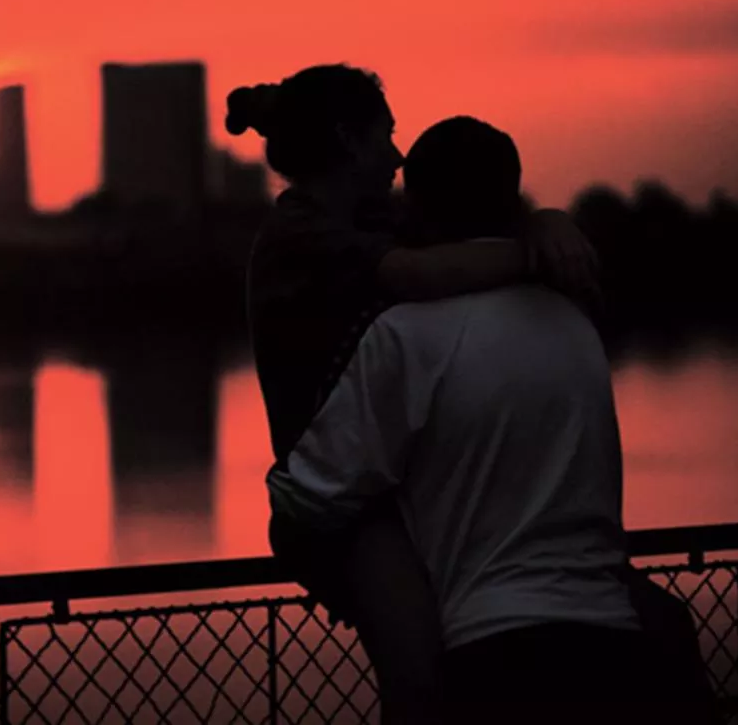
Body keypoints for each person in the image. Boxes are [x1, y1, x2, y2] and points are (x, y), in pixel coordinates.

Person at [271, 115, 710, 724]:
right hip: (618, 650)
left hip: (495, 654)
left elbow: (311, 495)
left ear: (416, 208)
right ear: (513, 200)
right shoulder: (575, 323)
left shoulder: (405, 336)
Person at [228, 65, 601, 723]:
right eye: (386, 135)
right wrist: (536, 253)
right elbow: (419, 273)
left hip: (386, 480)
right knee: (422, 678)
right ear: (348, 140)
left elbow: (462, 232)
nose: (397, 156)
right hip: (336, 503)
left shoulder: (366, 218)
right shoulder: (301, 235)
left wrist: (545, 218)